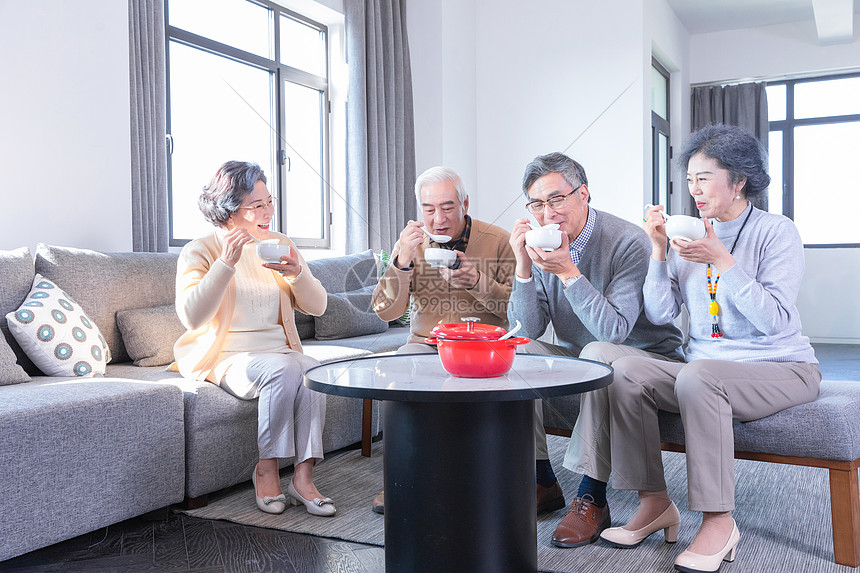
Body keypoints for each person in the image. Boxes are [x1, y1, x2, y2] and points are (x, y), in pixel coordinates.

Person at [598, 124, 820, 573]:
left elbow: (774, 320)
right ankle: (654, 502)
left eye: (704, 177)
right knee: (619, 368)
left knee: (699, 374)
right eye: (690, 179)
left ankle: (719, 520)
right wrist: (659, 252)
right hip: (705, 371)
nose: (693, 189)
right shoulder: (690, 235)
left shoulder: (776, 232)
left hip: (781, 368)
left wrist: (723, 260)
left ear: (739, 180)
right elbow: (661, 314)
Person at [508, 152, 683, 545]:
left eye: (556, 199)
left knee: (600, 354)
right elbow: (526, 329)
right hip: (584, 360)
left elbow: (615, 332)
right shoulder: (540, 246)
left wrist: (568, 273)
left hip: (645, 358)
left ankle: (592, 497)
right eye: (537, 204)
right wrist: (522, 266)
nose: (547, 212)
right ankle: (541, 480)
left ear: (583, 194)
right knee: (521, 352)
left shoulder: (626, 242)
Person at [174, 161, 335, 517]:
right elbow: (191, 317)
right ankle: (267, 469)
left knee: (313, 369)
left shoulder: (280, 245)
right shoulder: (201, 251)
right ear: (228, 212)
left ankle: (303, 477)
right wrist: (226, 263)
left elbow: (318, 306)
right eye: (256, 206)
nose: (268, 212)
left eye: (269, 201)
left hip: (279, 353)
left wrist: (296, 275)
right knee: (282, 370)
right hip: (228, 357)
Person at [371, 165, 516, 512]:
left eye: (448, 207)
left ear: (465, 203)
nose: (438, 219)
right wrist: (401, 262)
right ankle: (402, 477)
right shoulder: (410, 244)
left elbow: (515, 308)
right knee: (399, 376)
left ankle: (478, 480)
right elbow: (386, 311)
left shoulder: (497, 240)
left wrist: (475, 281)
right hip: (425, 343)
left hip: (482, 345)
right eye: (429, 209)